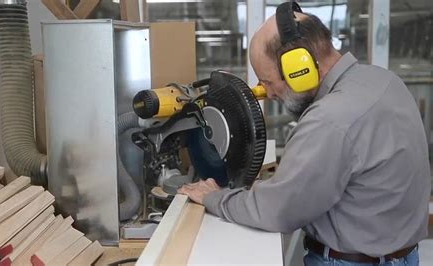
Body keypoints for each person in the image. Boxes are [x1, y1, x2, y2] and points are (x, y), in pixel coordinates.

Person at [178, 2, 431, 266]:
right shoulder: (384, 80)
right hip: (404, 255)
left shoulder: (329, 118)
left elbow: (277, 211)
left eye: (267, 81)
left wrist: (214, 196)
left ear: (299, 69)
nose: (269, 93)